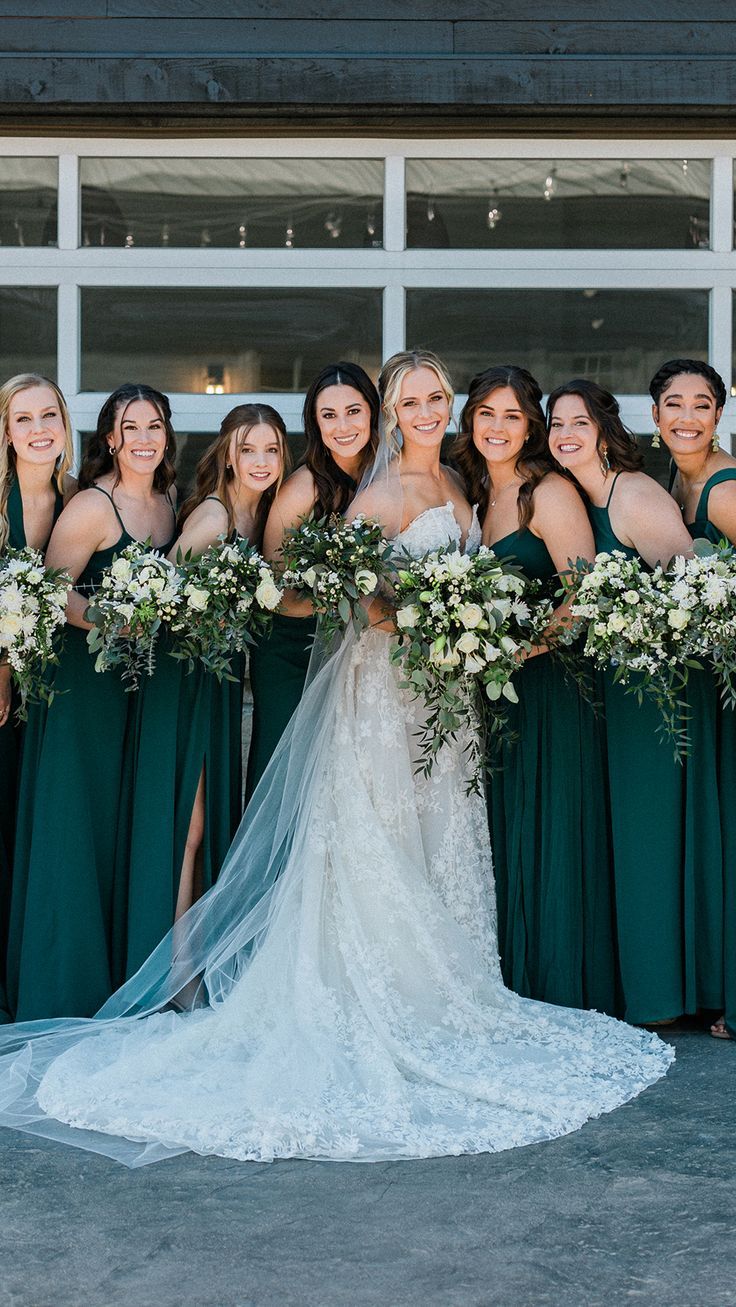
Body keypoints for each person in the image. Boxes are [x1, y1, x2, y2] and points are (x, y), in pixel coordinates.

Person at [0, 350, 671, 1168]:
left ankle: (445, 989)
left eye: (434, 398)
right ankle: (380, 987)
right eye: (410, 400)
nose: (425, 411)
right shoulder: (379, 493)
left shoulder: (463, 485)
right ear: (393, 411)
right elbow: (330, 586)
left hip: (446, 697)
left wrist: (477, 632)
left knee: (441, 831)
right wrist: (405, 620)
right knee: (377, 830)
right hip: (387, 689)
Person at [6, 384, 177, 1020]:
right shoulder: (92, 506)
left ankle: (115, 980)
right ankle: (60, 986)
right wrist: (113, 619)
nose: (142, 439)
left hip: (136, 689)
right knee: (73, 826)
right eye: (129, 428)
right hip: (81, 685)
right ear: (110, 437)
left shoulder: (167, 504)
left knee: (116, 829)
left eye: (153, 426)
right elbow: (50, 590)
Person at [454, 365, 616, 1013]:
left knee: (552, 825)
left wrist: (514, 650)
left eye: (512, 415)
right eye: (487, 413)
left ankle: (558, 980)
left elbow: (584, 594)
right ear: (470, 421)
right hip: (493, 690)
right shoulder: (469, 493)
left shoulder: (546, 492)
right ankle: (512, 974)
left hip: (552, 687)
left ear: (532, 426)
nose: (498, 426)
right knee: (504, 826)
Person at [120, 404, 289, 980]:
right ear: (227, 455)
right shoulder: (216, 518)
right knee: (187, 827)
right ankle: (175, 971)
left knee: (204, 822)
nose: (261, 461)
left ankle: (188, 962)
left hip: (214, 683)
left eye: (270, 450)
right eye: (248, 450)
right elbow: (163, 593)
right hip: (184, 681)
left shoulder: (256, 517)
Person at [547, 380, 694, 1027]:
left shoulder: (632, 494)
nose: (566, 434)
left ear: (604, 428)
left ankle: (663, 996)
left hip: (653, 692)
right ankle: (643, 986)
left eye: (579, 421)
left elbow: (691, 599)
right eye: (556, 423)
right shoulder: (582, 496)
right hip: (614, 690)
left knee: (649, 841)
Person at [650, 358, 736, 1041]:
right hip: (704, 686)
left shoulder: (725, 487)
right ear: (654, 417)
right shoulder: (673, 484)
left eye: (700, 404)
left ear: (718, 413)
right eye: (673, 404)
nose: (686, 416)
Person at [245, 362, 379, 799]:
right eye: (328, 415)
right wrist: (335, 594)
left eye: (353, 411)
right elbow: (274, 591)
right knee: (288, 773)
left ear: (373, 413)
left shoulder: (385, 478)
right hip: (291, 649)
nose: (343, 426)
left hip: (362, 649)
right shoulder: (303, 488)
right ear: (314, 423)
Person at [0, 373, 75, 1023]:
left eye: (48, 414)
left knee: (37, 828)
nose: (38, 428)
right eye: (23, 419)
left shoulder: (78, 498)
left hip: (58, 695)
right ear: (5, 432)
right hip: (0, 692)